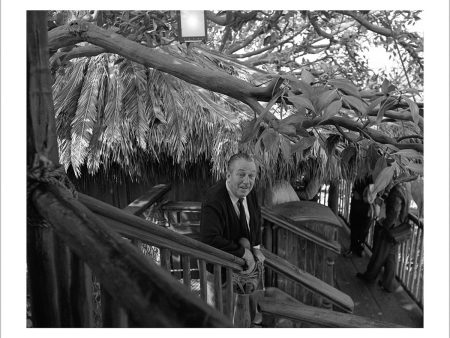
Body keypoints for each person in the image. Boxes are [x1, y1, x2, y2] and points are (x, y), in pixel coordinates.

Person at [200, 153, 265, 322]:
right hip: (219, 270)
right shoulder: (214, 199)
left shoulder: (249, 190)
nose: (247, 180)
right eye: (241, 174)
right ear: (228, 175)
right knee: (219, 319)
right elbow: (209, 239)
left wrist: (256, 248)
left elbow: (256, 218)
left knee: (246, 315)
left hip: (244, 270)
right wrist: (244, 253)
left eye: (251, 175)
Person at [356, 182, 411, 292]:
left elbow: (394, 212)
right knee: (391, 257)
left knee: (379, 255)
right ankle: (388, 284)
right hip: (398, 229)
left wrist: (384, 224)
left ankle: (370, 277)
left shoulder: (396, 191)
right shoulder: (405, 188)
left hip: (391, 229)